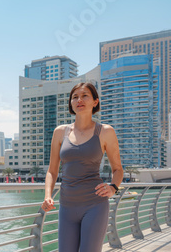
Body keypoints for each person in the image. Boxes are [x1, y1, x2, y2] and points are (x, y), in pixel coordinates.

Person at [42, 82, 124, 252]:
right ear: (71, 103)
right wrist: (48, 195)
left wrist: (113, 188)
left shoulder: (105, 131)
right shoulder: (60, 132)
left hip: (95, 204)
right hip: (67, 206)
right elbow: (52, 170)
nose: (79, 100)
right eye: (75, 97)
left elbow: (118, 169)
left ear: (95, 102)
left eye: (85, 95)